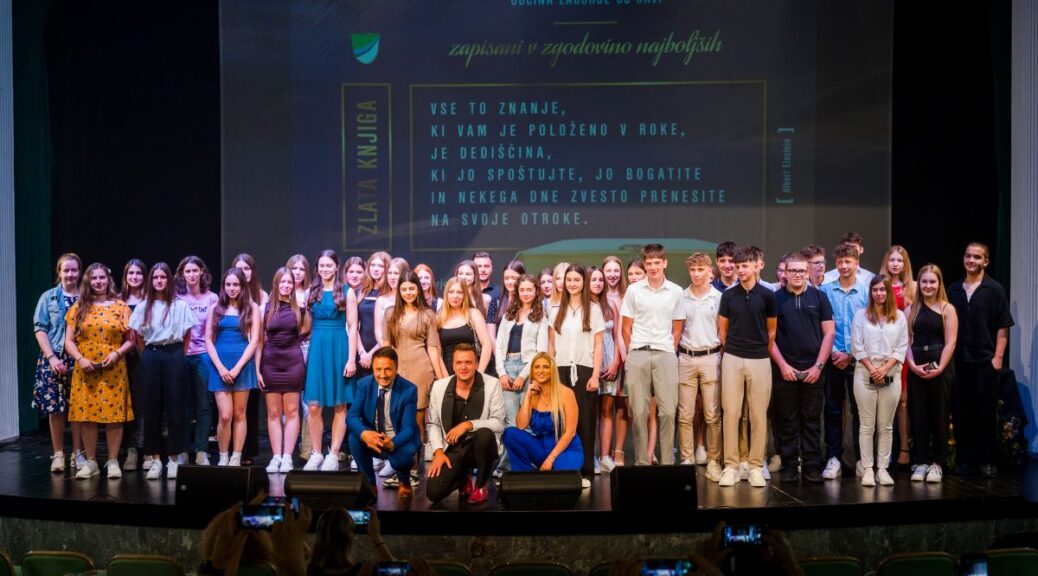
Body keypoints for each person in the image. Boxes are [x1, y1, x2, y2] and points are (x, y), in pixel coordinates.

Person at [64, 263, 135, 479]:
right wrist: (80, 359)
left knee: (114, 418)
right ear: (88, 281)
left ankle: (113, 461)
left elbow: (131, 340)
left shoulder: (121, 307)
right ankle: (92, 462)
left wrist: (117, 353)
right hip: (86, 369)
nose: (98, 282)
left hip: (113, 368)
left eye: (101, 277)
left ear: (108, 279)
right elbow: (68, 341)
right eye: (94, 278)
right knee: (87, 416)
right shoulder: (79, 307)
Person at [948, 242, 1013, 477]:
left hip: (985, 361)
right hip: (959, 361)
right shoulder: (954, 289)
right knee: (961, 413)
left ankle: (987, 461)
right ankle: (964, 461)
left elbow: (1003, 326)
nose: (971, 260)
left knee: (985, 413)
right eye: (968, 256)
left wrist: (998, 357)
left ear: (985, 261)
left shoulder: (994, 289)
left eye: (976, 257)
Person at [129, 262, 198, 480]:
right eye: (155, 277)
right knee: (152, 409)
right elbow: (138, 337)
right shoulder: (143, 307)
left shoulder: (180, 306)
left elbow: (187, 335)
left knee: (176, 408)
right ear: (151, 281)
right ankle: (155, 459)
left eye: (163, 277)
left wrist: (178, 355)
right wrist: (149, 355)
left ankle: (174, 459)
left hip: (174, 354)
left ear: (169, 280)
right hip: (152, 355)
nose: (159, 281)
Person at [769, 252, 834, 483]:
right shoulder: (775, 299)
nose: (797, 274)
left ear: (808, 273)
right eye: (792, 270)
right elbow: (769, 337)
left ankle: (812, 466)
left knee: (812, 420)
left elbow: (829, 334)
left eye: (801, 270)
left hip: (813, 370)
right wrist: (783, 366)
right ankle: (789, 465)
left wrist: (818, 366)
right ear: (785, 273)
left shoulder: (820, 298)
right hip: (784, 370)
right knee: (787, 420)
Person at [717, 247, 777, 487]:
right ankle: (731, 466)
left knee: (758, 414)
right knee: (731, 412)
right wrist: (733, 350)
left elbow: (771, 331)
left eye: (745, 266)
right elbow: (723, 331)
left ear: (755, 266)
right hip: (733, 357)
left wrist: (761, 351)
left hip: (760, 359)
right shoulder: (729, 296)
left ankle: (755, 466)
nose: (740, 270)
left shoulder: (768, 295)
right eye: (738, 266)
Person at [621, 244, 683, 468]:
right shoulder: (634, 290)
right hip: (638, 352)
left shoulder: (676, 291)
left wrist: (667, 348)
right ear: (644, 265)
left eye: (657, 262)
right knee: (638, 412)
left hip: (665, 353)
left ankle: (667, 464)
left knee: (668, 412)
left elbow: (677, 328)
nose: (653, 267)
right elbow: (626, 327)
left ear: (665, 263)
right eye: (649, 263)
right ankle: (641, 463)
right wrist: (634, 351)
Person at [383, 270, 445, 482]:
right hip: (396, 370)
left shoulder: (427, 314)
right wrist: (384, 372)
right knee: (396, 421)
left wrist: (441, 379)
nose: (408, 292)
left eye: (412, 288)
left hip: (421, 370)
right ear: (398, 290)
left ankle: (413, 469)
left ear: (418, 289)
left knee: (416, 422)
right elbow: (386, 346)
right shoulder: (390, 313)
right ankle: (400, 469)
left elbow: (433, 348)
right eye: (404, 289)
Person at [426, 344, 505, 505]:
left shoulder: (492, 384)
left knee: (485, 434)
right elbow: (433, 424)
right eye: (459, 362)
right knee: (433, 492)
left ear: (476, 364)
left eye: (468, 362)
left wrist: (468, 424)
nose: (463, 367)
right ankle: (462, 478)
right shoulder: (439, 387)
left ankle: (480, 485)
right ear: (453, 365)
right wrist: (438, 452)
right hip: (452, 449)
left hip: (479, 447)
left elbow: (498, 423)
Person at [303, 250, 359, 472]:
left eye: (329, 265)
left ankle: (333, 454)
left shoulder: (347, 292)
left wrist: (351, 360)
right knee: (314, 405)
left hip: (339, 347)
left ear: (337, 267)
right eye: (321, 265)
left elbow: (352, 327)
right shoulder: (311, 292)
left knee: (339, 404)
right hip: (318, 349)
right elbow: (306, 326)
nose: (325, 269)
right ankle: (316, 453)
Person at [819, 242, 870, 480]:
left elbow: (869, 327)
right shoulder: (825, 291)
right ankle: (833, 458)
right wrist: (834, 352)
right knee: (832, 410)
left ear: (857, 263)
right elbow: (821, 325)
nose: (843, 266)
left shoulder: (866, 291)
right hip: (832, 359)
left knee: (860, 412)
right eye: (839, 262)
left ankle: (862, 459)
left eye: (848, 262)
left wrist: (850, 353)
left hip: (859, 360)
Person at [851, 275, 908, 487]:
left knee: (886, 426)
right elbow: (857, 346)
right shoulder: (861, 315)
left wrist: (883, 369)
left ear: (889, 292)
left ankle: (882, 469)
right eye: (875, 289)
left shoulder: (899, 317)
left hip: (890, 373)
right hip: (865, 373)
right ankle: (867, 469)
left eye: (883, 289)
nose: (879, 293)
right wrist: (872, 369)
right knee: (867, 425)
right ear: (871, 292)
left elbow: (902, 346)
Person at [551, 264, 605, 482]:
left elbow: (598, 346)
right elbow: (551, 346)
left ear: (584, 282)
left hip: (584, 371)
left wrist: (595, 375)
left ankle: (586, 471)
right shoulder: (555, 310)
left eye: (576, 280)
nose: (572, 284)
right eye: (569, 280)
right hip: (560, 370)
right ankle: (564, 470)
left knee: (585, 422)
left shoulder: (594, 309)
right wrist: (550, 375)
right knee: (562, 422)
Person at [905, 264, 957, 483]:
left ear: (939, 283)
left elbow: (951, 342)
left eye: (932, 281)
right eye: (924, 281)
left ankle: (937, 463)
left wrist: (940, 367)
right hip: (917, 367)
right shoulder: (910, 310)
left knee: (939, 414)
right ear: (919, 284)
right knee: (918, 415)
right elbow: (906, 342)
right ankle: (921, 462)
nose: (928, 285)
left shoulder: (947, 309)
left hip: (941, 367)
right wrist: (912, 365)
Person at [33, 253, 84, 473]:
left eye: (74, 270)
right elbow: (40, 328)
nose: (70, 274)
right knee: (56, 409)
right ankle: (58, 454)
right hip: (55, 359)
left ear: (79, 272)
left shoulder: (87, 297)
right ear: (59, 272)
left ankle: (78, 453)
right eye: (66, 270)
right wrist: (52, 357)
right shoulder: (49, 297)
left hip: (80, 358)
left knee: (79, 409)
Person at [494, 273, 550, 474]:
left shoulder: (540, 317)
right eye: (522, 290)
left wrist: (523, 376)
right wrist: (502, 373)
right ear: (517, 291)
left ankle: (524, 467)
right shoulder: (509, 315)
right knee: (510, 422)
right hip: (507, 366)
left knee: (525, 421)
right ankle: (505, 467)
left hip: (528, 369)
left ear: (536, 292)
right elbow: (499, 346)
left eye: (529, 290)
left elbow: (540, 351)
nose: (526, 293)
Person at [205, 268, 261, 467]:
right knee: (225, 415)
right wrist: (220, 368)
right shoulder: (215, 308)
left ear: (243, 285)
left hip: (242, 365)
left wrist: (237, 368)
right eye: (228, 284)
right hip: (220, 365)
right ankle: (223, 456)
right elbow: (208, 340)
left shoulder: (252, 308)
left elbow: (254, 341)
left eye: (236, 284)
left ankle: (236, 456)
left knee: (239, 413)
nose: (232, 288)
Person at [348, 348, 421, 499]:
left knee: (405, 455)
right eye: (378, 369)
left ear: (396, 368)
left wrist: (392, 443)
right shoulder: (364, 385)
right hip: (374, 437)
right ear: (373, 369)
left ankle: (404, 480)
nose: (383, 374)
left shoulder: (409, 389)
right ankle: (369, 483)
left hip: (398, 438)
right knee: (354, 438)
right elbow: (351, 416)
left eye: (388, 369)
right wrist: (364, 433)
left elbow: (408, 429)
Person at [676, 253, 724, 481]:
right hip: (686, 357)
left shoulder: (718, 297)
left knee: (712, 414)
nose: (696, 274)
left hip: (711, 357)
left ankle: (714, 460)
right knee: (685, 414)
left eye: (701, 269)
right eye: (693, 270)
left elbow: (723, 331)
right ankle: (687, 459)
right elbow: (677, 329)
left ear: (709, 271)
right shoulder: (681, 297)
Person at [257, 267, 310, 473]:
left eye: (289, 282)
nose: (286, 285)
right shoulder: (265, 308)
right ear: (276, 283)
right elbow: (259, 341)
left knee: (292, 412)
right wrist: (258, 370)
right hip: (270, 363)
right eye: (283, 282)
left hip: (292, 363)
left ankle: (287, 457)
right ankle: (276, 457)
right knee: (273, 413)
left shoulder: (300, 308)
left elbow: (307, 330)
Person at [502, 353, 583, 472]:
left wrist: (550, 459)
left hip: (566, 448)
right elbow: (521, 425)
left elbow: (570, 432)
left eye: (545, 367)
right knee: (510, 434)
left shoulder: (566, 393)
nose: (541, 371)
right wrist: (528, 396)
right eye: (537, 367)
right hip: (542, 449)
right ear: (532, 371)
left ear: (552, 370)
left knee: (561, 477)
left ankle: (552, 471)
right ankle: (525, 476)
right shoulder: (532, 394)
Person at [176, 255, 218, 466]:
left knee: (203, 404)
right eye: (188, 271)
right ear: (182, 274)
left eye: (195, 270)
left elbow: (215, 331)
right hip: (181, 355)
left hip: (203, 355)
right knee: (182, 404)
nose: (192, 275)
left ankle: (201, 450)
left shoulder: (212, 298)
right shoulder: (176, 297)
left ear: (202, 272)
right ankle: (183, 449)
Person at [879, 245, 915, 469]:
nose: (895, 264)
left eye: (899, 260)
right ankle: (883, 451)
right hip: (881, 350)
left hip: (904, 350)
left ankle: (904, 448)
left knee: (902, 402)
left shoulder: (913, 288)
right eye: (892, 260)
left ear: (905, 264)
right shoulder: (879, 286)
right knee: (883, 402)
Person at [232, 254, 265, 465]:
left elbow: (261, 334)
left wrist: (259, 366)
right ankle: (232, 450)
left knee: (250, 405)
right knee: (231, 408)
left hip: (256, 353)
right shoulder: (229, 296)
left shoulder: (261, 296)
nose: (243, 272)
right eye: (239, 268)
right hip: (234, 354)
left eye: (247, 268)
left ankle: (247, 451)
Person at [589, 266, 623, 473]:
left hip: (609, 362)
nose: (598, 283)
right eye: (593, 279)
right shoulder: (583, 306)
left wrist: (616, 362)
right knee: (590, 412)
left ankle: (605, 456)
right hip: (590, 362)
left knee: (606, 410)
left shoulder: (610, 305)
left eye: (600, 280)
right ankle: (590, 456)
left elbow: (617, 336)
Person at [626, 258, 658, 463]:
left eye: (638, 273)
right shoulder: (629, 296)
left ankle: (650, 453)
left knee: (651, 411)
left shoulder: (655, 297)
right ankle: (640, 454)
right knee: (635, 411)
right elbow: (624, 330)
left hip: (655, 357)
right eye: (630, 274)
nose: (634, 277)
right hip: (634, 358)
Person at [601, 255, 630, 469]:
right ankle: (603, 452)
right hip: (607, 358)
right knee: (605, 407)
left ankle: (618, 450)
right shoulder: (598, 296)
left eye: (616, 271)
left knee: (623, 406)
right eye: (608, 270)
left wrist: (622, 359)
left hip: (626, 356)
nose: (612, 275)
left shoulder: (628, 295)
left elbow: (623, 332)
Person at [117, 259, 147, 470]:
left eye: (138, 273)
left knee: (145, 403)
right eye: (131, 273)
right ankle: (132, 450)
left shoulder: (151, 299)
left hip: (146, 354)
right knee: (128, 403)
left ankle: (148, 450)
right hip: (124, 356)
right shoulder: (118, 300)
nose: (135, 277)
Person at [308, 506, 394, 576]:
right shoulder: (366, 570)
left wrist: (301, 533)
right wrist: (376, 537)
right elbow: (397, 571)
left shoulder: (309, 571)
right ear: (349, 538)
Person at [436, 276, 492, 375]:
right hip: (448, 371)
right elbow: (437, 352)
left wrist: (479, 374)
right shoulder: (438, 318)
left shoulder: (473, 314)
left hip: (472, 370)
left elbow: (487, 345)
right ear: (446, 294)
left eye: (459, 292)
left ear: (465, 295)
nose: (455, 296)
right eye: (451, 292)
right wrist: (445, 378)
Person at [374, 257, 410, 360]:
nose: (392, 277)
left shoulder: (410, 299)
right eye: (389, 273)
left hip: (408, 351)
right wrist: (389, 351)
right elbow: (378, 331)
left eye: (396, 273)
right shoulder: (381, 300)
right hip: (388, 353)